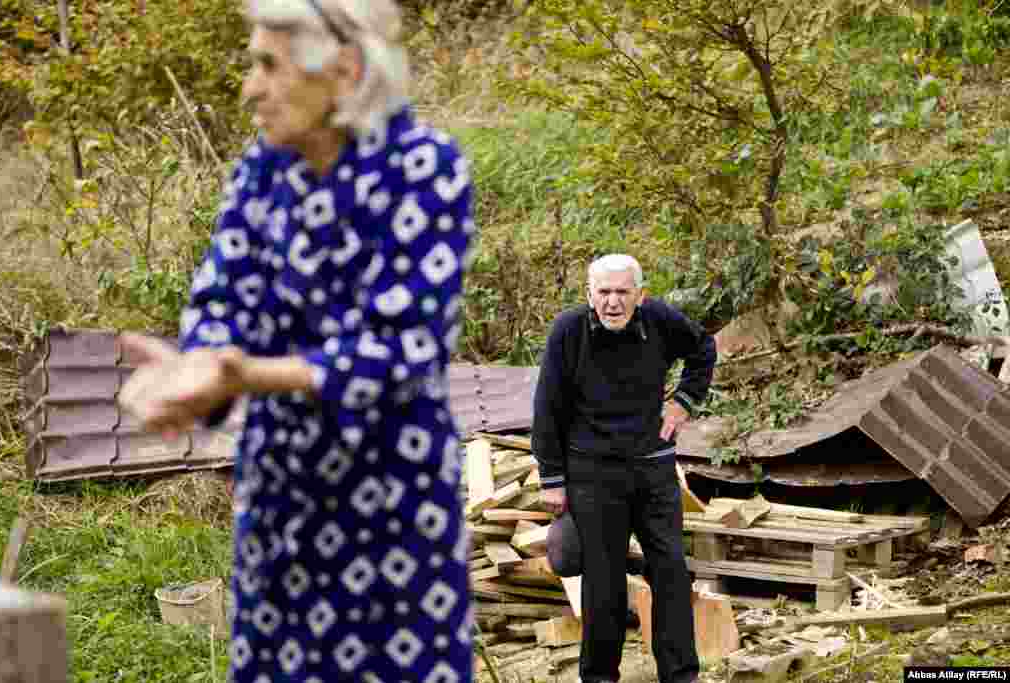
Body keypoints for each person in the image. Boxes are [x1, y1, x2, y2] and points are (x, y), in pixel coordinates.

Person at [117, 1, 475, 681]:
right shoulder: (263, 169)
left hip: (393, 507)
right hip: (279, 501)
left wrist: (246, 374)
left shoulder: (425, 166)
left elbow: (402, 348)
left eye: (268, 65)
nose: (249, 89)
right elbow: (222, 297)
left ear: (345, 69)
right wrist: (199, 368)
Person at [532, 254, 716, 683]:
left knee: (670, 569)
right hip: (593, 472)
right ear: (589, 294)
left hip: (652, 469)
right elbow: (547, 407)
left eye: (622, 292)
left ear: (640, 294)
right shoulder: (569, 331)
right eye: (604, 292)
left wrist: (684, 401)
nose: (612, 302)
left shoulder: (660, 321)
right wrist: (552, 478)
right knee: (603, 578)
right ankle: (599, 677)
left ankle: (681, 675)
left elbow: (703, 349)